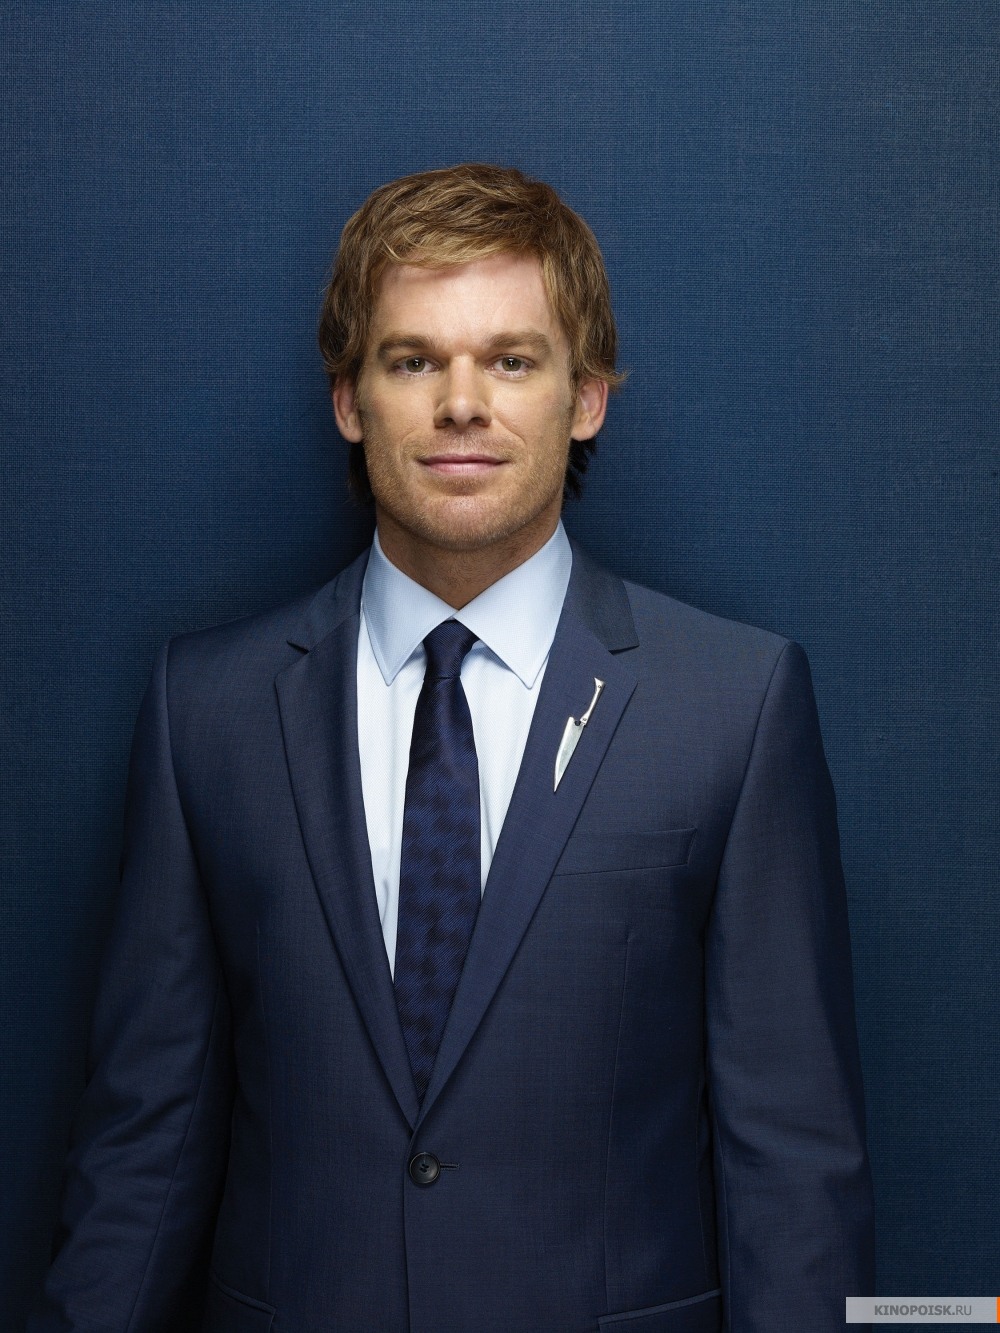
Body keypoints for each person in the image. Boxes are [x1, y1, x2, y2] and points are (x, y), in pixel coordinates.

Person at [30, 163, 875, 1333]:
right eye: (413, 360)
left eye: (511, 360)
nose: (462, 403)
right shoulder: (206, 711)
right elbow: (145, 1143)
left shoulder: (735, 704)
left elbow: (792, 1170)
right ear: (348, 398)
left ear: (587, 397)